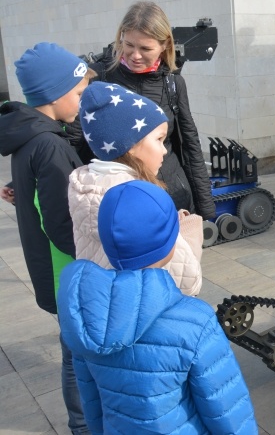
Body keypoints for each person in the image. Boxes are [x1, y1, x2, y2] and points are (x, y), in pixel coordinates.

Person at [58, 180, 258, 434]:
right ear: (171, 242)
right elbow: (226, 409)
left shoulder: (83, 316)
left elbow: (91, 402)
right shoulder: (196, 321)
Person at [0, 42, 93, 434]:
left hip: (54, 274)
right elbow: (60, 223)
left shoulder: (32, 137)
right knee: (78, 358)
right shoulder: (50, 145)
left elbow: (41, 195)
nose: (82, 100)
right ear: (56, 95)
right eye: (78, 93)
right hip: (67, 273)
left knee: (73, 352)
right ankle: (84, 426)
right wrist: (96, 257)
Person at [67, 1, 215, 220]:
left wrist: (205, 207)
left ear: (164, 45)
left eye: (145, 48)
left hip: (170, 195)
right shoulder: (98, 78)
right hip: (116, 201)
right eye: (129, 45)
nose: (135, 55)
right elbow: (72, 141)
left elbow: (189, 145)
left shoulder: (173, 83)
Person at [68, 81, 203, 296]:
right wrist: (189, 231)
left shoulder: (87, 185)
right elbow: (187, 282)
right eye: (159, 139)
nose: (164, 150)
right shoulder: (136, 200)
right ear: (129, 146)